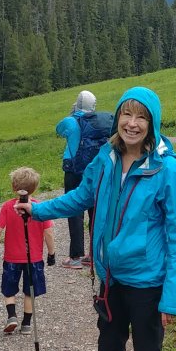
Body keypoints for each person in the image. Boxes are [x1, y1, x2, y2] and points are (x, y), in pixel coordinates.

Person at [15, 86, 176, 351]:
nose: (132, 123)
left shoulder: (167, 170)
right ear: (117, 120)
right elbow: (81, 196)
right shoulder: (106, 157)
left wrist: (171, 299)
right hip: (109, 281)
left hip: (147, 285)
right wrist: (38, 209)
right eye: (126, 115)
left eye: (141, 117)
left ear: (152, 123)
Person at [0, 167, 56, 334]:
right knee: (29, 291)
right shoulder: (40, 208)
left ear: (14, 187)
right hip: (34, 259)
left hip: (12, 258)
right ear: (35, 188)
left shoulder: (7, 206)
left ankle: (12, 316)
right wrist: (51, 253)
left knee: (9, 288)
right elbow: (48, 233)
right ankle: (26, 324)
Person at [54, 90, 98, 268]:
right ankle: (94, 255)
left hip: (73, 171)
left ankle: (76, 256)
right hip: (94, 171)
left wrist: (72, 114)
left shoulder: (71, 122)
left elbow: (59, 130)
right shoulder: (97, 122)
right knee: (94, 212)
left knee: (74, 210)